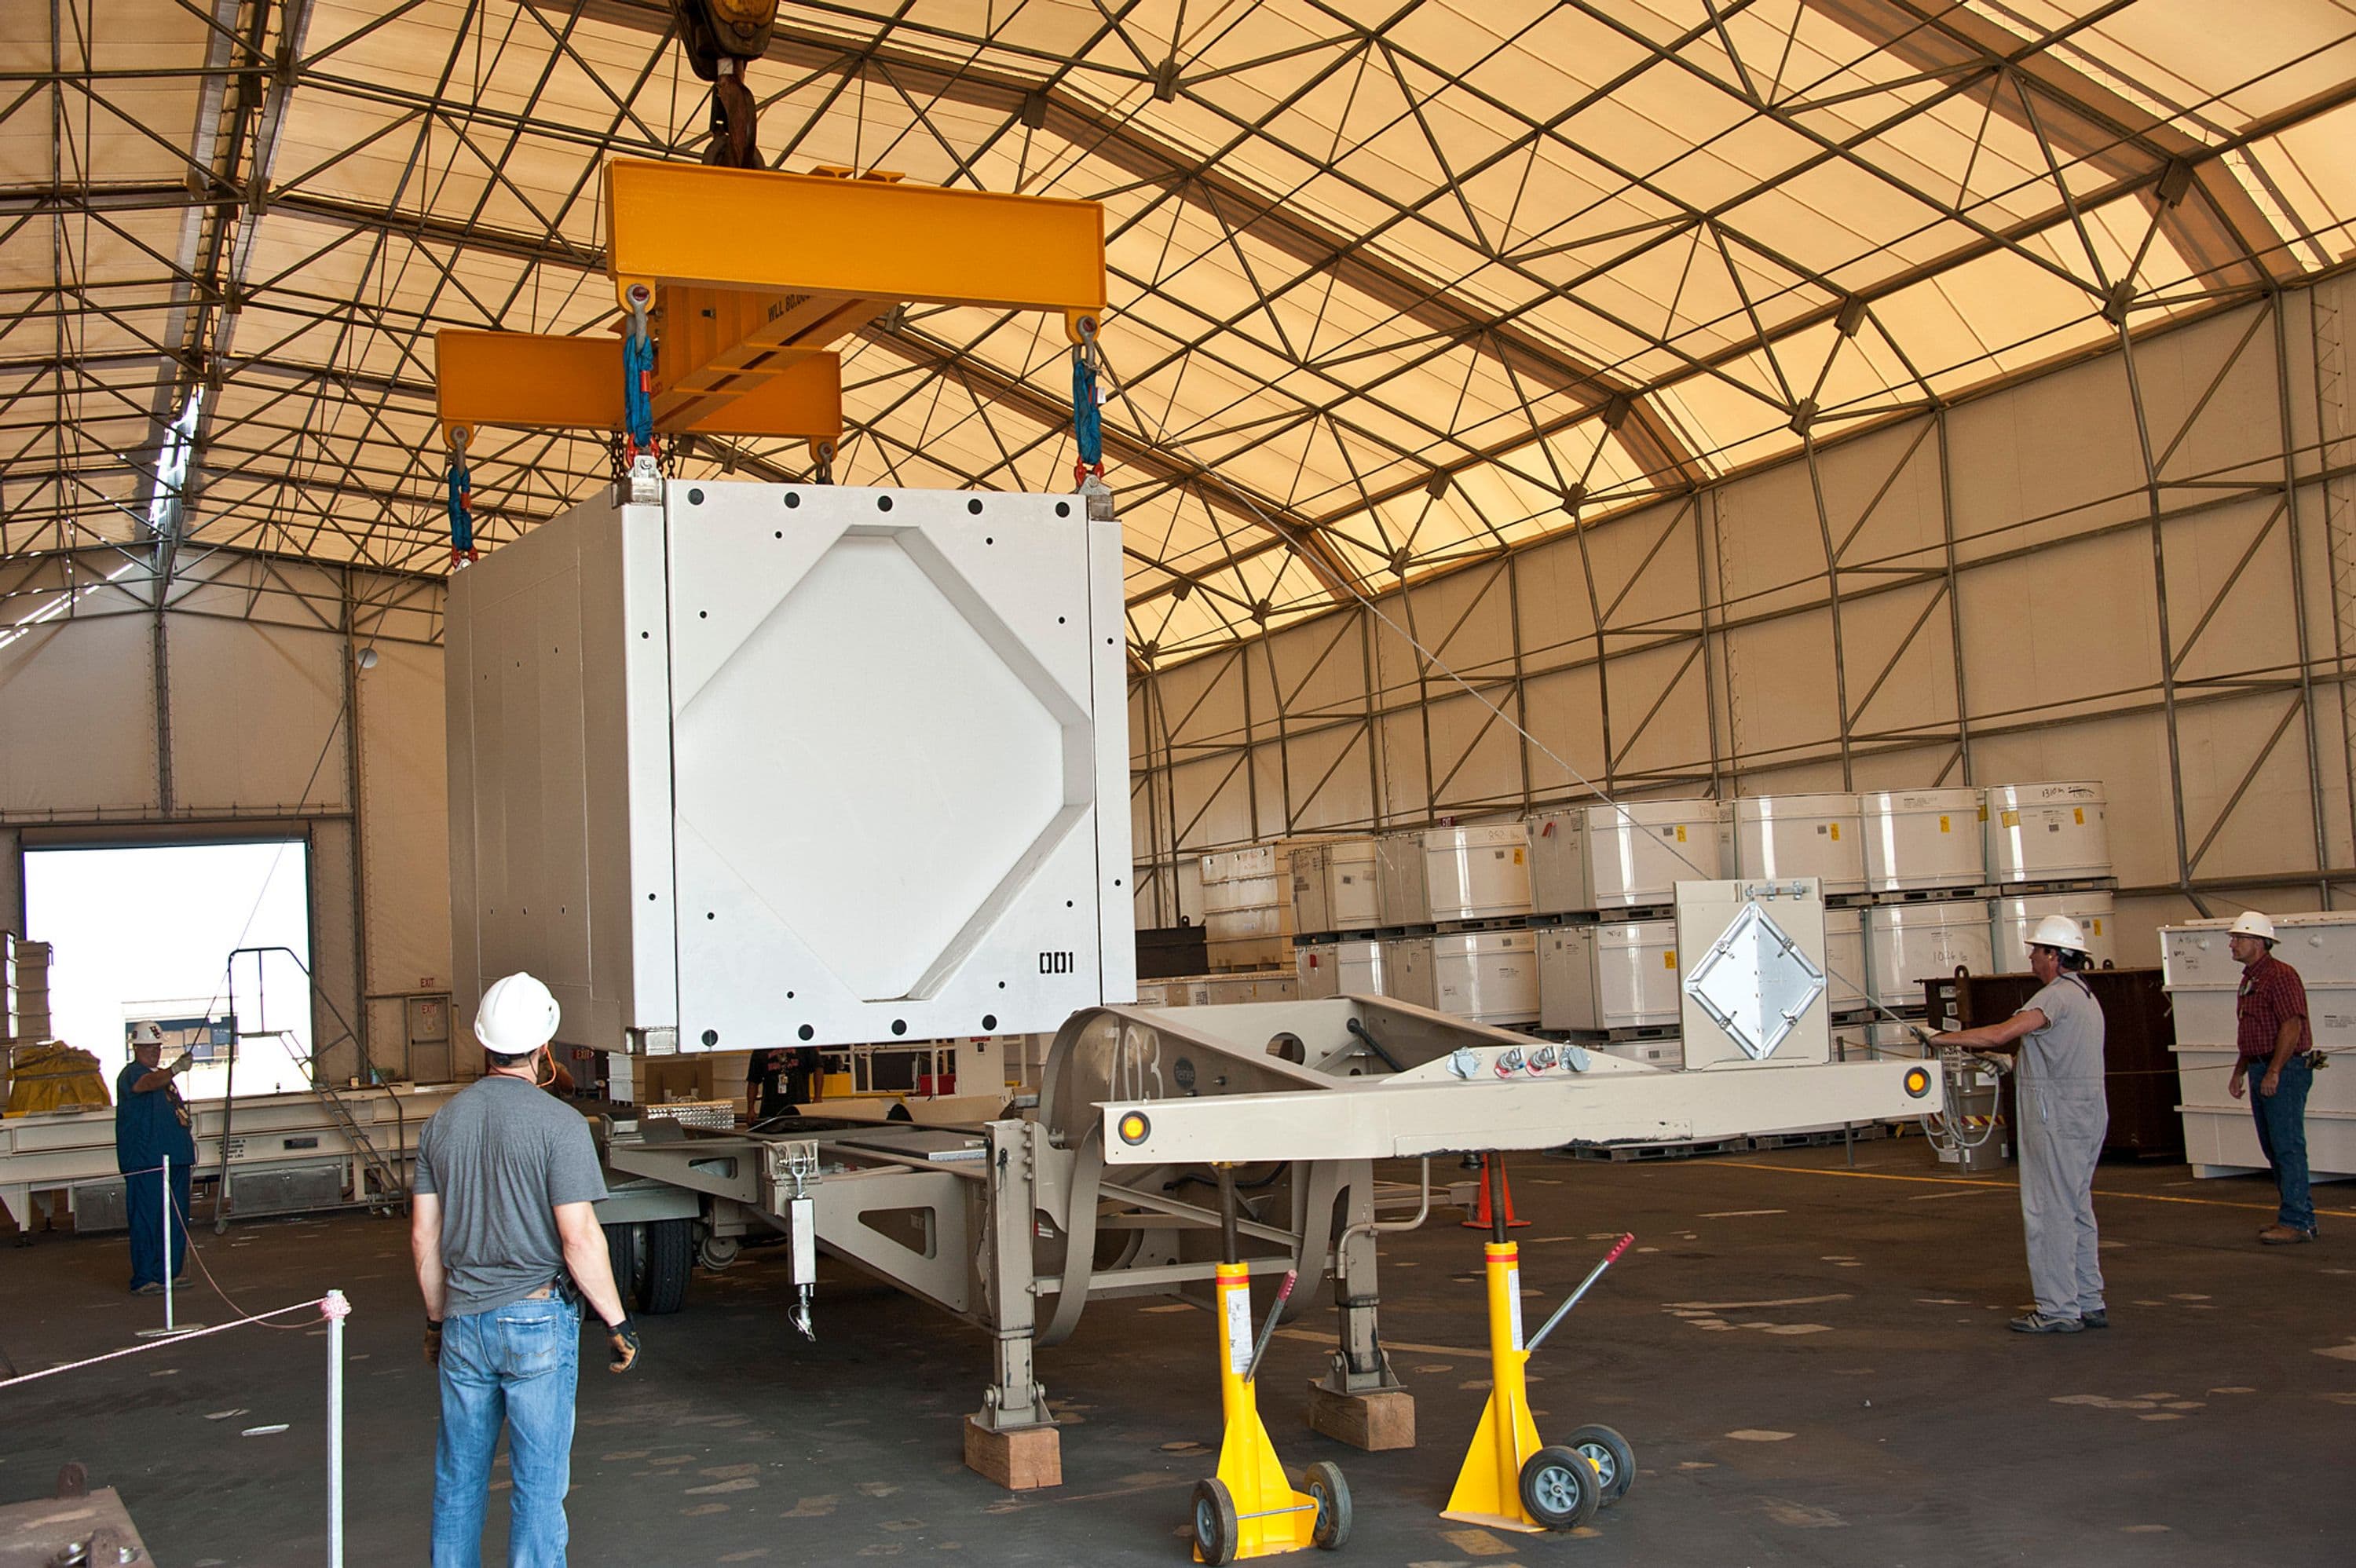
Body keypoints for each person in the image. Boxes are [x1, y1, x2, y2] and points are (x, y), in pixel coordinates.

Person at [412, 972, 642, 1568]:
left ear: (483, 1043)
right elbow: (579, 1236)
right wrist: (617, 1321)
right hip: (538, 1320)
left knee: (458, 1481)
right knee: (538, 1488)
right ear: (544, 1049)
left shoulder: (442, 1124)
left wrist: (438, 1321)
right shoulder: (561, 1125)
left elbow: (424, 1235)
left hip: (465, 1322)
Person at [1931, 915, 2108, 1334]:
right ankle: (2087, 1298)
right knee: (2076, 1206)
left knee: (2048, 1211)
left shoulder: (2054, 998)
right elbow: (2059, 1058)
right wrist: (2011, 1064)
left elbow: (2001, 1033)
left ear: (2054, 955)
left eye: (2037, 950)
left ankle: (2057, 1308)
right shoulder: (2085, 997)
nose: (2031, 957)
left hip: (2056, 1120)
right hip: (2084, 1114)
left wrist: (1941, 1038)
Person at [2226, 911, 2318, 1244]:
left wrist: (2275, 1070)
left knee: (2286, 1146)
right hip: (2261, 1067)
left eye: (2238, 939)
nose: (2232, 945)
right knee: (2274, 1146)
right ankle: (2299, 1216)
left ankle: (2296, 1220)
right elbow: (2253, 1030)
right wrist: (2241, 1070)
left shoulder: (2280, 976)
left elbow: (2291, 1026)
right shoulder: (2252, 978)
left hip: (2284, 1069)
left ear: (2259, 942)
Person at [115, 1021, 196, 1296]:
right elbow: (145, 1085)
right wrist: (174, 1070)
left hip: (175, 1158)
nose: (154, 1051)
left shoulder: (164, 1081)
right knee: (147, 1217)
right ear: (136, 1048)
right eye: (148, 1047)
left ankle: (168, 1273)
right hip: (146, 1160)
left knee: (175, 1218)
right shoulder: (133, 1075)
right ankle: (145, 1275)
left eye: (157, 1047)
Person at [745, 1045, 821, 1122]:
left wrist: (817, 1097)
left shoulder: (802, 1045)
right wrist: (750, 1109)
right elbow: (753, 1081)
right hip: (770, 1109)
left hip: (799, 1107)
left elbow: (818, 1067)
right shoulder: (762, 1048)